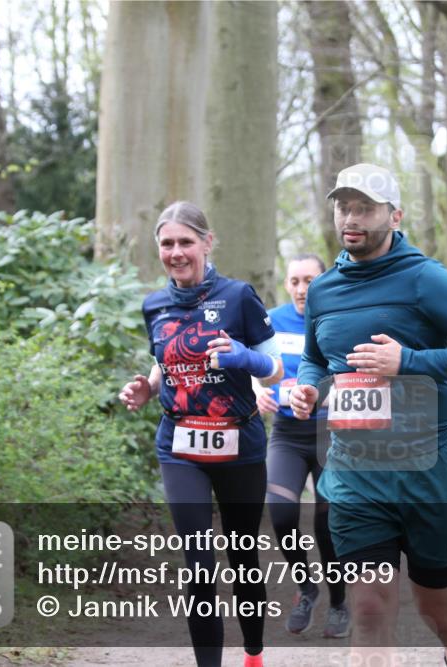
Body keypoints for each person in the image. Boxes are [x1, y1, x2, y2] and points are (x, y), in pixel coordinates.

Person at [288, 163, 447, 667]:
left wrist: (409, 361)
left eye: (365, 207)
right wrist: (307, 389)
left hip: (428, 469)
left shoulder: (427, 280)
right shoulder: (323, 291)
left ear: (395, 214)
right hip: (356, 472)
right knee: (368, 606)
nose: (351, 217)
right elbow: (317, 359)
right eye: (344, 206)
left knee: (438, 606)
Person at [118, 201, 283, 667]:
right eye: (167, 244)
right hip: (180, 445)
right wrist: (147, 387)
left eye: (185, 242)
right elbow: (163, 360)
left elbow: (276, 371)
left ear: (207, 243)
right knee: (199, 565)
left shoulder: (239, 297)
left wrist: (242, 358)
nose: (176, 252)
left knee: (243, 559)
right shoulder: (154, 304)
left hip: (239, 444)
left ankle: (253, 654)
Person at [255, 253, 351, 638]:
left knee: (328, 524)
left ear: (322, 281)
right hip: (286, 434)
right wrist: (256, 391)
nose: (300, 289)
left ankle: (340, 602)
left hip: (331, 432)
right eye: (294, 281)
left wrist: (322, 396)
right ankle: (307, 588)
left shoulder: (339, 319)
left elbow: (354, 376)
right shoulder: (272, 321)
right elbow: (250, 366)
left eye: (308, 280)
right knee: (280, 514)